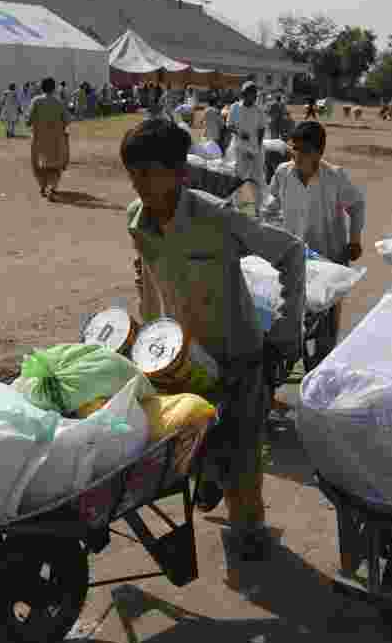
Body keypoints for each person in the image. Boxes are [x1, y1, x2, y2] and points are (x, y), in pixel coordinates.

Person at [123, 118, 304, 561]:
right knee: (190, 440)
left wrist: (286, 330)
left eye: (150, 172)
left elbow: (290, 251)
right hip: (182, 356)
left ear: (179, 173)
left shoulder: (214, 216)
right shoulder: (136, 219)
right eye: (133, 173)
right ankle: (212, 479)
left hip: (238, 353)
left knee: (242, 450)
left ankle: (250, 528)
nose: (140, 184)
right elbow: (148, 276)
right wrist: (150, 337)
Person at [263, 121, 365, 361]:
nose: (297, 155)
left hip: (329, 258)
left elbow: (357, 205)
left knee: (326, 322)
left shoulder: (335, 177)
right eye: (294, 149)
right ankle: (290, 356)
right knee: (289, 311)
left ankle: (321, 361)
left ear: (319, 153)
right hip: (295, 257)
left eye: (304, 151)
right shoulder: (283, 173)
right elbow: (270, 206)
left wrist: (355, 239)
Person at [27, 77, 71, 201]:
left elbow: (28, 121)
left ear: (41, 87)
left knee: (38, 165)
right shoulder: (59, 102)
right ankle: (52, 188)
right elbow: (67, 120)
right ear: (54, 88)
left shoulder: (35, 101)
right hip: (56, 139)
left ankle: (42, 186)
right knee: (55, 165)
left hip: (38, 139)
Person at [227, 81, 267, 215]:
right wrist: (238, 133)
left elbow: (261, 129)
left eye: (254, 95)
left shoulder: (259, 110)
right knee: (239, 177)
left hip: (255, 150)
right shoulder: (235, 108)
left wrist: (257, 149)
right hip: (238, 149)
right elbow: (229, 125)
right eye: (250, 94)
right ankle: (240, 206)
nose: (253, 98)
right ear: (243, 95)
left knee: (256, 178)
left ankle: (255, 208)